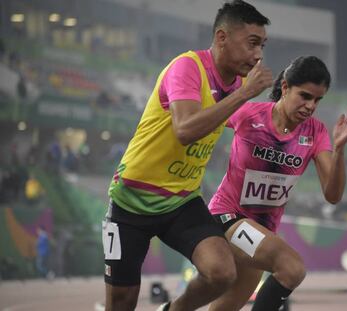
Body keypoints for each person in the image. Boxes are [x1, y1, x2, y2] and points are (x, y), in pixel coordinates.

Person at [102, 1, 273, 310]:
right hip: (132, 199)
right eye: (252, 43)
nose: (258, 54)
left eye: (262, 45)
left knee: (221, 273)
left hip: (181, 200)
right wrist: (244, 95)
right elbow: (185, 129)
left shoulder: (240, 83)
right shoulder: (187, 67)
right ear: (222, 38)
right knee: (122, 301)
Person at [207, 56, 347, 311]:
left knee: (226, 307)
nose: (311, 106)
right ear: (286, 87)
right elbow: (205, 120)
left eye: (317, 100)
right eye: (305, 96)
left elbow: (333, 195)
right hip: (227, 217)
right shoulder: (250, 114)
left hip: (261, 231)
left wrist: (340, 150)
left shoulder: (316, 132)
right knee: (291, 268)